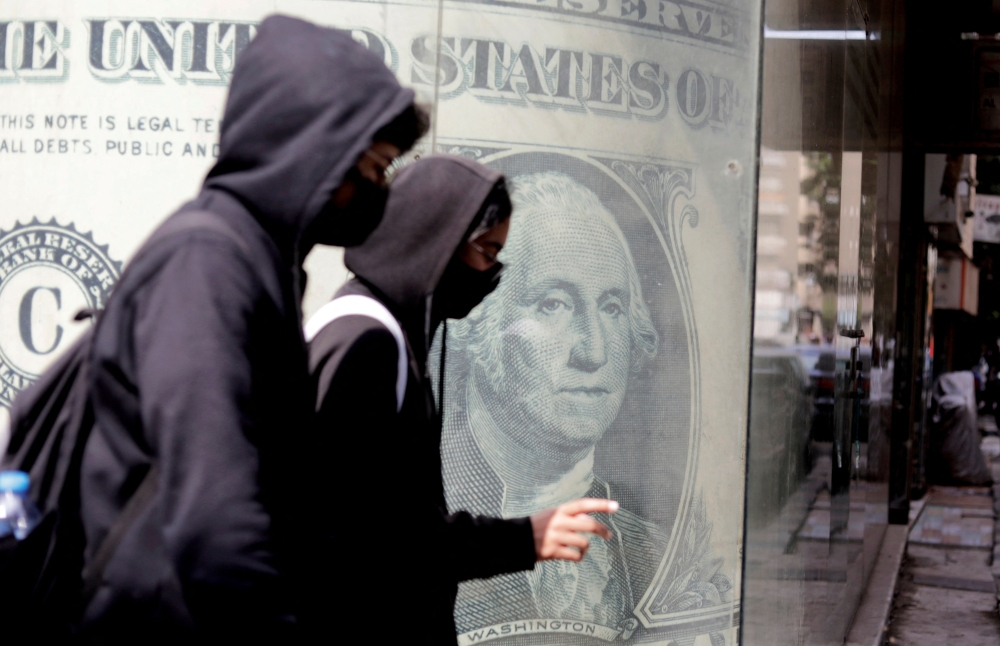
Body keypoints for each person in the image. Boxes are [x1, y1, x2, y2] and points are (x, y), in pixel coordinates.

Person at [78, 15, 425, 640]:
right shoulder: (207, 263)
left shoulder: (259, 261)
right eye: (374, 169)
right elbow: (216, 523)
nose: (381, 190)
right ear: (309, 148)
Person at [307, 157, 619, 644]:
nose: (492, 273)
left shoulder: (386, 333)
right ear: (438, 239)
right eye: (486, 252)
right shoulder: (366, 342)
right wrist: (526, 538)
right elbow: (380, 538)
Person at [442, 171, 668, 634]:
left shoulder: (655, 553)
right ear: (480, 321)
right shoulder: (431, 524)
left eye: (611, 308)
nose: (595, 353)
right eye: (553, 304)